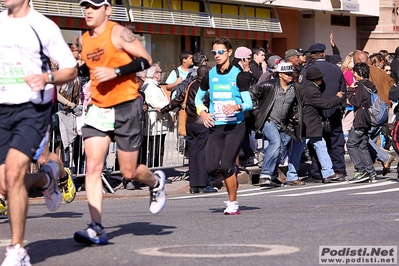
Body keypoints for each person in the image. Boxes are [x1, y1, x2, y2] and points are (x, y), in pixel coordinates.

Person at [75, 0, 166, 245]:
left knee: (128, 171)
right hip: (97, 108)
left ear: (107, 9)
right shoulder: (83, 39)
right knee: (93, 168)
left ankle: (155, 181)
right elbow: (89, 68)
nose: (88, 11)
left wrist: (115, 72)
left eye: (94, 6)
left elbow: (146, 60)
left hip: (126, 106)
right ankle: (96, 227)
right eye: (85, 6)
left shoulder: (119, 32)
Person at [0, 0, 78, 264]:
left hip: (31, 109)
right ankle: (47, 179)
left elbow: (71, 69)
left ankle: (17, 250)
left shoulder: (43, 26)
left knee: (13, 172)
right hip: (2, 109)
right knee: (5, 183)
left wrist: (47, 78)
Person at [195, 36, 252, 215]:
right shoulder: (210, 75)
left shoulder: (239, 76)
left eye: (221, 52)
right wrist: (202, 112)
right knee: (211, 168)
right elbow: (198, 98)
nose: (217, 55)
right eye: (214, 52)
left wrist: (237, 106)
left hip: (235, 125)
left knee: (226, 164)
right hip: (216, 125)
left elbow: (249, 103)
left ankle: (232, 202)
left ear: (229, 52)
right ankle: (231, 171)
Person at [160, 65, 217, 193]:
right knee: (202, 153)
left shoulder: (190, 85)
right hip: (203, 122)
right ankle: (202, 185)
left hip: (190, 123)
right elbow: (210, 102)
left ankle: (193, 185)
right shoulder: (206, 87)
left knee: (193, 154)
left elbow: (177, 99)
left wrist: (164, 109)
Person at [287, 66, 345, 185]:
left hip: (305, 124)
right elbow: (326, 104)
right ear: (317, 79)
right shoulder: (312, 91)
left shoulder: (304, 86)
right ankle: (293, 176)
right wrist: (338, 97)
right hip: (309, 124)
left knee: (318, 146)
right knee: (301, 149)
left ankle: (327, 172)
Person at [250, 62, 304, 186]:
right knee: (275, 142)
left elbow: (300, 105)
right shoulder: (269, 85)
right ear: (280, 75)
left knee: (279, 149)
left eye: (291, 73)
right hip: (268, 120)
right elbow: (251, 93)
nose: (290, 75)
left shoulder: (296, 88)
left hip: (286, 123)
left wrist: (296, 119)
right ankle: (265, 174)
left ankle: (272, 176)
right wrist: (257, 111)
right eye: (287, 73)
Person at [300, 43, 347, 182]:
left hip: (315, 112)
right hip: (334, 110)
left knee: (316, 143)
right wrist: (341, 105)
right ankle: (339, 170)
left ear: (313, 55)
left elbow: (302, 91)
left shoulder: (307, 70)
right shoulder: (336, 69)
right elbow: (342, 90)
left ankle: (317, 172)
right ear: (323, 54)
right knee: (336, 141)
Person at [346, 63, 377, 183]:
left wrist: (350, 91)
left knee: (351, 144)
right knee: (362, 146)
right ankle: (371, 172)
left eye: (355, 73)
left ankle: (361, 170)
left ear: (359, 73)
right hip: (368, 119)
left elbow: (356, 102)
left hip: (360, 119)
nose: (353, 75)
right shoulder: (371, 85)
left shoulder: (360, 86)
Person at [141, 64, 172, 167]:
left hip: (159, 124)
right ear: (155, 74)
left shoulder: (155, 85)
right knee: (154, 151)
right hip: (154, 125)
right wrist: (171, 107)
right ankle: (153, 173)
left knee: (158, 150)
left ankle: (157, 171)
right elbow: (157, 103)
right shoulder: (150, 86)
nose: (161, 74)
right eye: (160, 72)